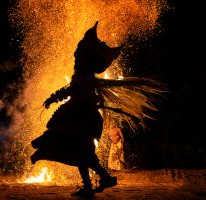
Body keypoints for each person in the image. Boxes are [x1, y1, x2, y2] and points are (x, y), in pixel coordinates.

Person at [30, 21, 167, 197]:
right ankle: (95, 182)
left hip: (82, 119)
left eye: (78, 56)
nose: (75, 58)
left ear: (83, 59)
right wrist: (56, 98)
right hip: (85, 118)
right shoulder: (84, 76)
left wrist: (53, 98)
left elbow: (72, 90)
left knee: (80, 152)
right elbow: (73, 90)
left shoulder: (83, 77)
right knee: (82, 154)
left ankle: (96, 179)